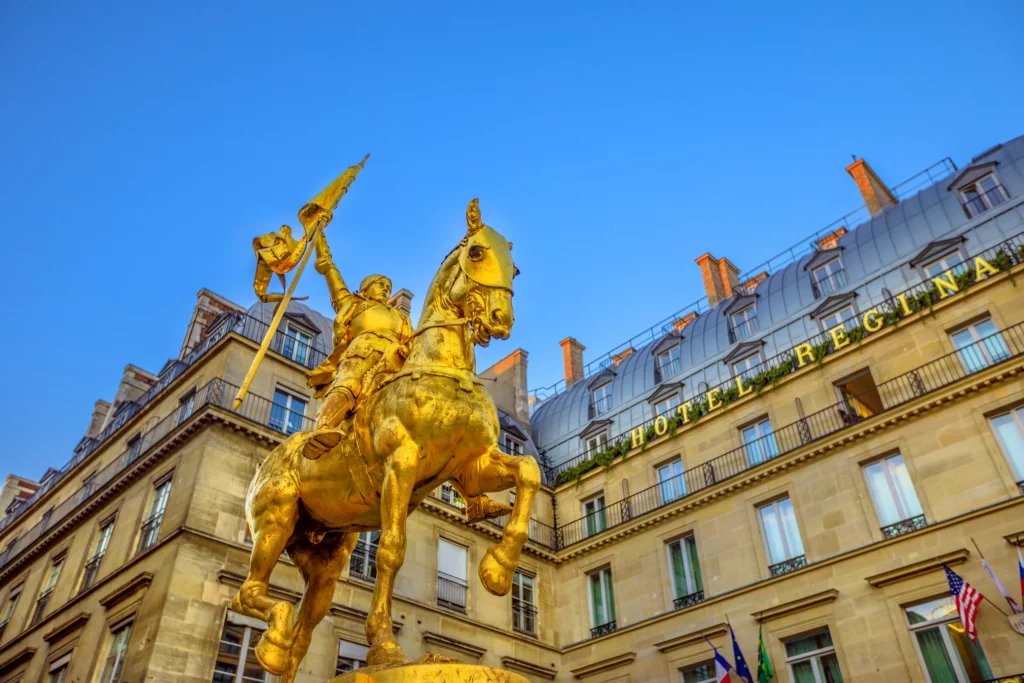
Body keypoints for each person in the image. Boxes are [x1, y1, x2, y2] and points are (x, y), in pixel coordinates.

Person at [301, 231, 413, 459]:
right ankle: (323, 428)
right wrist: (320, 238)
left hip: (394, 361)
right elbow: (329, 270)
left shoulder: (401, 318)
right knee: (349, 384)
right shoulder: (353, 304)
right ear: (365, 289)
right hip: (361, 353)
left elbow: (411, 342)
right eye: (379, 284)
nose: (385, 289)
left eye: (388, 287)